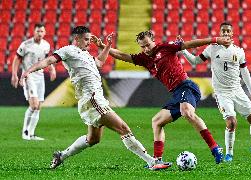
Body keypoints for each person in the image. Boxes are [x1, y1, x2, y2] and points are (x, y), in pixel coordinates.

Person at [19, 26, 171, 170]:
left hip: (95, 99)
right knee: (124, 128)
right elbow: (47, 61)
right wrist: (28, 72)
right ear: (76, 38)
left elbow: (99, 62)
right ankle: (152, 162)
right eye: (86, 39)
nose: (89, 43)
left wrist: (107, 46)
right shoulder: (68, 50)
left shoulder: (85, 54)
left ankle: (61, 155)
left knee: (93, 139)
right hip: (92, 99)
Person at [94, 30, 232, 164]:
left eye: (148, 44)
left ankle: (215, 147)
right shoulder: (144, 58)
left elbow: (189, 44)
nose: (146, 48)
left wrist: (215, 40)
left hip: (186, 86)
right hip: (176, 93)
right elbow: (122, 55)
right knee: (157, 122)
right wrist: (103, 46)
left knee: (187, 112)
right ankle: (157, 159)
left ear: (153, 41)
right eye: (142, 46)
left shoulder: (165, 48)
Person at [181, 22, 251, 162]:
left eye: (228, 31)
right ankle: (229, 153)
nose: (226, 33)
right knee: (231, 122)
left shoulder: (239, 51)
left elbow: (244, 72)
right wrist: (183, 50)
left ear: (232, 33)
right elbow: (195, 61)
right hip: (222, 93)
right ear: (220, 33)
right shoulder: (212, 48)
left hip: (237, 90)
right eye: (223, 31)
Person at [11, 23, 56, 141]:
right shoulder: (26, 45)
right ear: (34, 32)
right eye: (38, 31)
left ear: (44, 33)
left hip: (40, 77)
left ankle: (31, 134)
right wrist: (15, 75)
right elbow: (17, 59)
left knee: (39, 107)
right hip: (28, 76)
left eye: (42, 31)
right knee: (34, 105)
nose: (40, 33)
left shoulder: (46, 45)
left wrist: (52, 69)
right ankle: (25, 133)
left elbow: (47, 59)